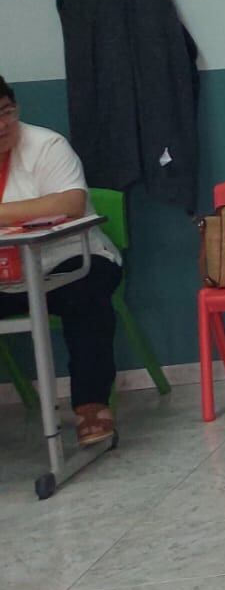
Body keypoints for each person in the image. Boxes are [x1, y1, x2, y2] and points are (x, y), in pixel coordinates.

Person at [0, 76, 123, 447]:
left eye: (6, 112)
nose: (2, 125)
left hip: (69, 260)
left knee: (87, 298)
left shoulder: (47, 145)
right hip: (7, 276)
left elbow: (68, 204)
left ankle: (90, 405)